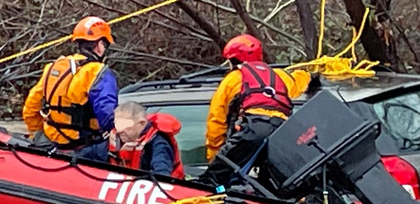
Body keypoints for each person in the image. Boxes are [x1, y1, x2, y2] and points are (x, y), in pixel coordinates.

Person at [199, 34, 318, 188]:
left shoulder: (232, 79)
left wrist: (215, 157)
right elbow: (300, 80)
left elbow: (217, 120)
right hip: (282, 131)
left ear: (233, 60)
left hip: (253, 129)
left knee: (210, 182)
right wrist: (312, 75)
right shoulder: (279, 75)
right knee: (273, 184)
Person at [22, 16, 119, 152]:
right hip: (86, 147)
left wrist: (37, 134)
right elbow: (107, 114)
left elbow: (30, 108)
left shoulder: (54, 67)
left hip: (51, 143)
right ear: (100, 45)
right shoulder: (97, 72)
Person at [79, 101, 185, 179]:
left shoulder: (158, 143)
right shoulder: (114, 140)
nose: (120, 130)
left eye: (126, 125)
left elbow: (162, 175)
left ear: (142, 123)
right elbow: (82, 157)